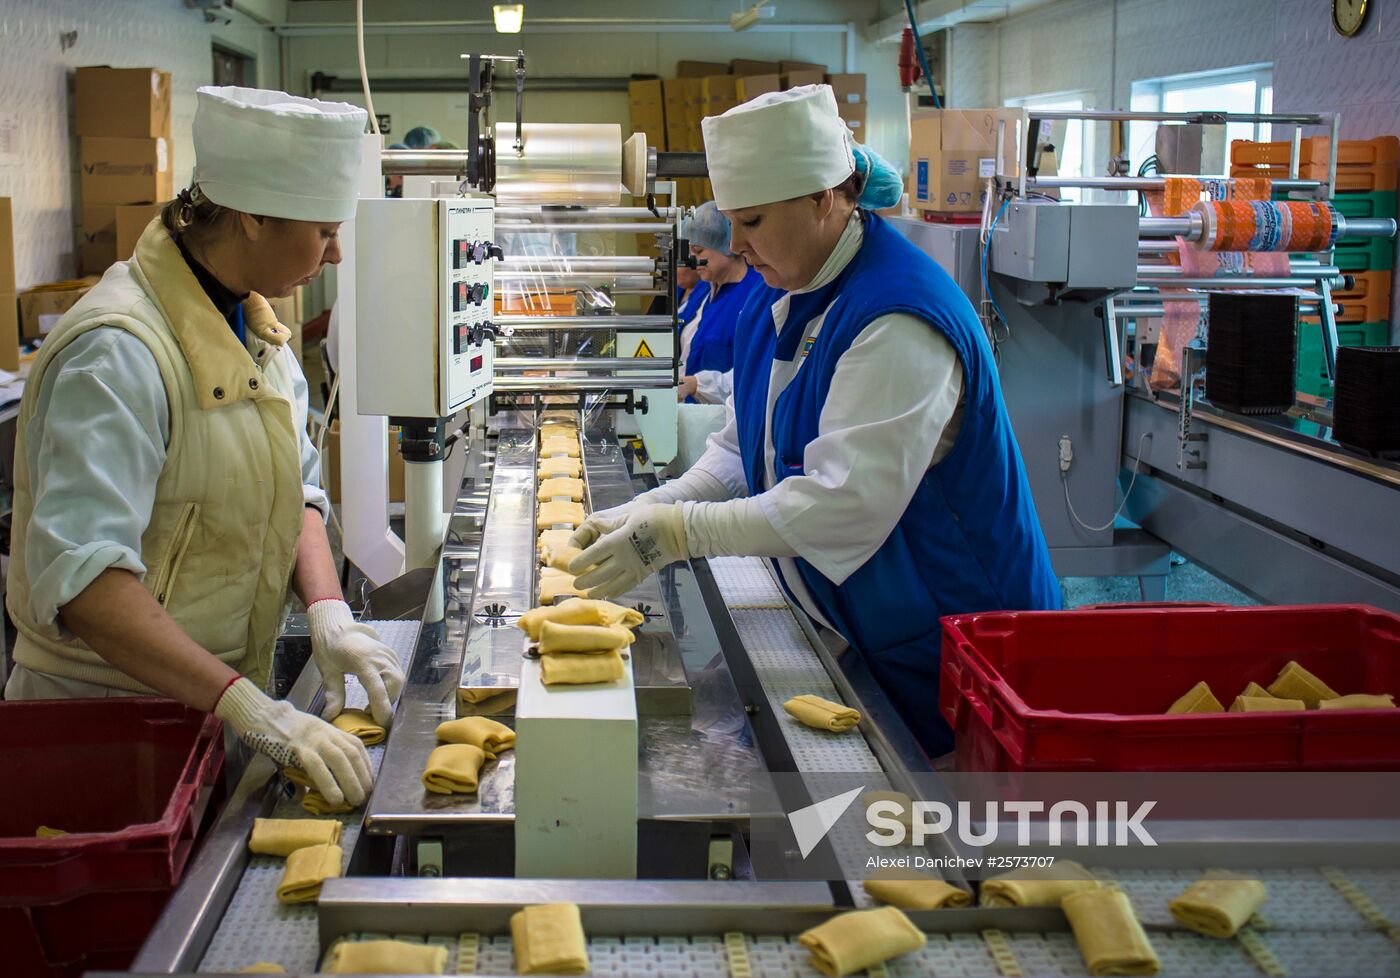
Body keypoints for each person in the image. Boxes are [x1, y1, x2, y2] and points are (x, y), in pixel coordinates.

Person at [567, 86, 1060, 756]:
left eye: (755, 221)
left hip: (968, 660)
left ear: (824, 199)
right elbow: (742, 452)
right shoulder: (780, 291)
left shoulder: (898, 320)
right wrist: (645, 509)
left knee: (975, 848)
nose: (736, 244)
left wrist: (676, 533)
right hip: (877, 631)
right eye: (731, 222)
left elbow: (839, 509)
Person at [4, 86, 405, 810]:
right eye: (322, 231)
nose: (337, 253)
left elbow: (299, 491)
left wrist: (327, 612)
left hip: (210, 707)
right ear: (251, 217)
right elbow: (86, 582)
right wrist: (254, 709)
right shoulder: (118, 355)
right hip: (104, 731)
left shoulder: (258, 332)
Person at [677, 202, 763, 405]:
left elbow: (753, 377)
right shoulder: (704, 290)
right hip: (691, 414)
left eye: (699, 251)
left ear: (728, 246)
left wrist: (696, 384)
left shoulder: (753, 298)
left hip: (722, 420)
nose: (693, 260)